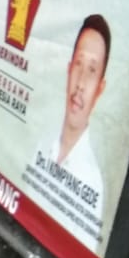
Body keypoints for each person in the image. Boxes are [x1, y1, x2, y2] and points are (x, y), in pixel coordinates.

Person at [32, 15, 110, 234]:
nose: (81, 83)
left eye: (92, 70)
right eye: (79, 64)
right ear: (68, 69)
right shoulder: (43, 144)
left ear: (100, 89)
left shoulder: (92, 182)